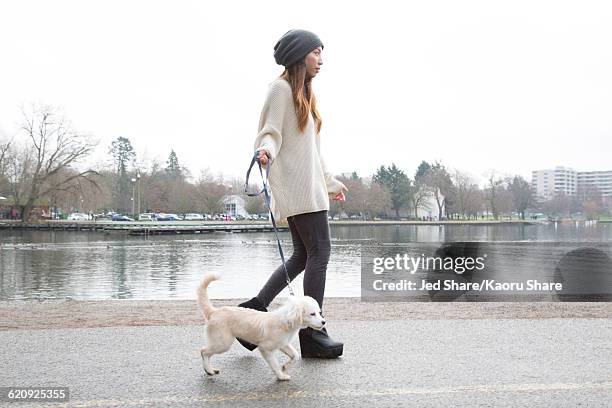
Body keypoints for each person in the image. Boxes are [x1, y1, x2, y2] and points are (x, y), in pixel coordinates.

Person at [237, 29, 348, 359]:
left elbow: (312, 152)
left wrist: (329, 183)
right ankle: (314, 334)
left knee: (303, 256)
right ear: (300, 55)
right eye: (316, 52)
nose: (321, 59)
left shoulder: (305, 97)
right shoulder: (280, 89)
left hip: (310, 189)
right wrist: (265, 152)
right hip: (298, 190)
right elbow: (269, 133)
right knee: (320, 253)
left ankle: (255, 310)